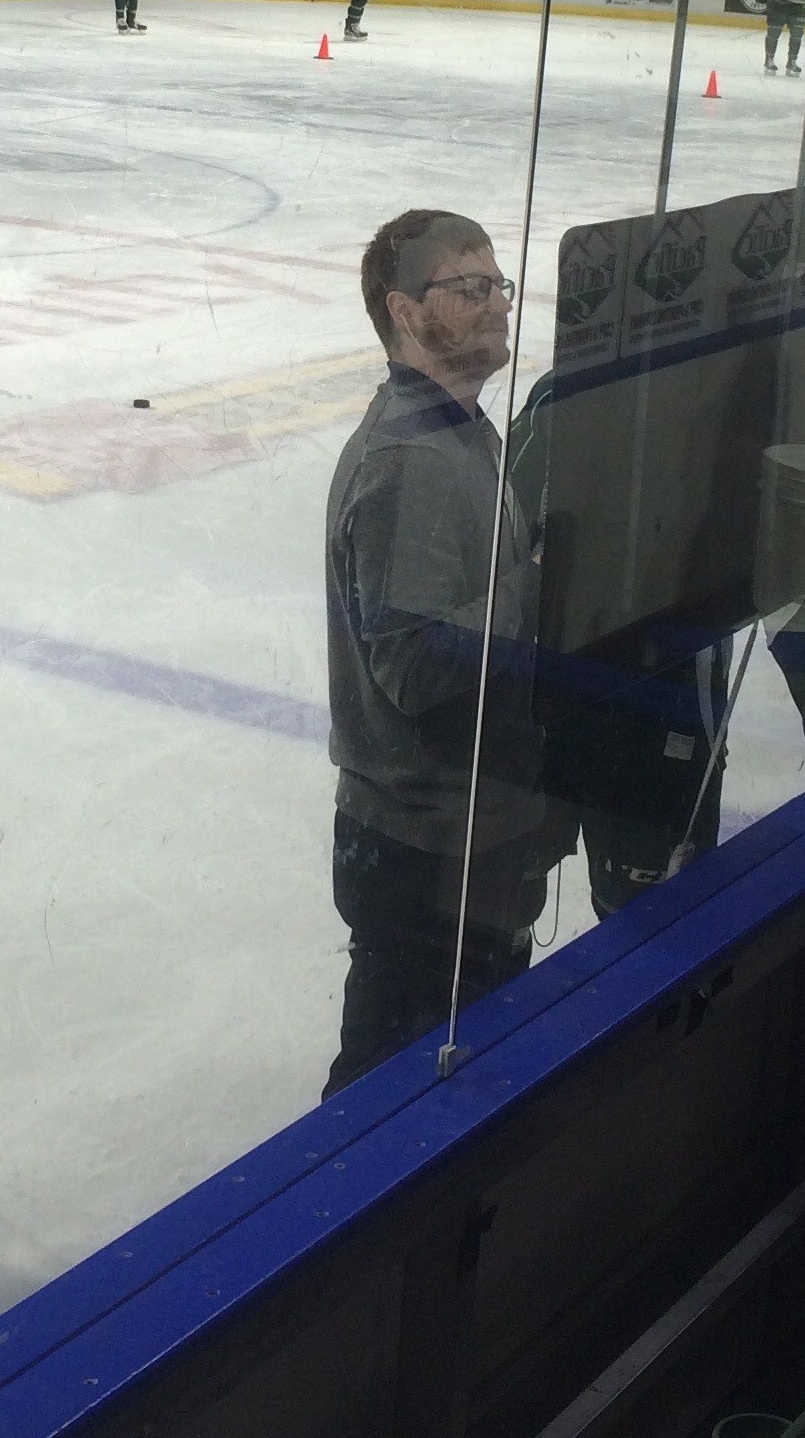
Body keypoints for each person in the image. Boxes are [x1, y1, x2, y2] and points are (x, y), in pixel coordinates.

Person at [322, 209, 563, 1098]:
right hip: (423, 853)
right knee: (384, 1095)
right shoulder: (410, 461)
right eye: (467, 289)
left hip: (464, 837)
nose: (496, 304)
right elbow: (417, 668)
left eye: (497, 285)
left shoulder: (462, 432)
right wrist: (538, 582)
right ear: (403, 310)